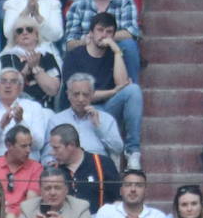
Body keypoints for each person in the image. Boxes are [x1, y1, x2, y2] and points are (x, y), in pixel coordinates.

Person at [61, 11, 142, 169]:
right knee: (89, 106)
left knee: (134, 90)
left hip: (111, 106)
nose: (104, 35)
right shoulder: (75, 55)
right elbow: (79, 96)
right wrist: (112, 92)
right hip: (86, 108)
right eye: (100, 30)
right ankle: (109, 153)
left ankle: (132, 152)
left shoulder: (114, 54)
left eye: (109, 32)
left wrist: (117, 51)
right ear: (91, 33)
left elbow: (123, 84)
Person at [0, 68, 48, 162]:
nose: (8, 85)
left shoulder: (34, 107)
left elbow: (39, 144)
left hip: (27, 163)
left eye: (13, 81)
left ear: (21, 88)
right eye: (3, 81)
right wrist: (0, 126)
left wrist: (21, 122)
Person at [48, 73, 123, 162]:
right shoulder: (56, 120)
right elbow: (48, 152)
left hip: (97, 164)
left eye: (85, 94)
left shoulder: (106, 119)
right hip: (66, 167)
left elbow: (118, 148)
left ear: (92, 95)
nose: (81, 99)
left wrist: (98, 126)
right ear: (68, 95)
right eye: (76, 94)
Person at [47, 122, 118, 214]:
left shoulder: (102, 163)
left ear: (71, 145)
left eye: (56, 148)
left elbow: (117, 200)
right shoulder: (53, 171)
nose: (51, 153)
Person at [0, 124, 42, 215]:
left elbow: (31, 205)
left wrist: (11, 215)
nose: (28, 150)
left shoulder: (36, 168)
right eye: (23, 146)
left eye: (30, 145)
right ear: (9, 145)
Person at [0, 17, 61, 107]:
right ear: (15, 38)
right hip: (14, 107)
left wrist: (36, 69)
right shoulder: (6, 58)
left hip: (43, 107)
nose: (25, 33)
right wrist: (27, 67)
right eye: (20, 31)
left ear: (36, 35)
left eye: (29, 29)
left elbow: (53, 90)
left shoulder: (47, 57)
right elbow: (8, 89)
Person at [11, 166, 93, 218]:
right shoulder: (28, 206)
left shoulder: (80, 206)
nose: (52, 193)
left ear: (66, 190)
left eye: (57, 188)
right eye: (47, 188)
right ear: (40, 191)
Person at [92, 168, 165, 218]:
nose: (133, 189)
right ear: (120, 191)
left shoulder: (158, 217)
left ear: (146, 191)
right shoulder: (106, 211)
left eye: (139, 185)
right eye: (128, 185)